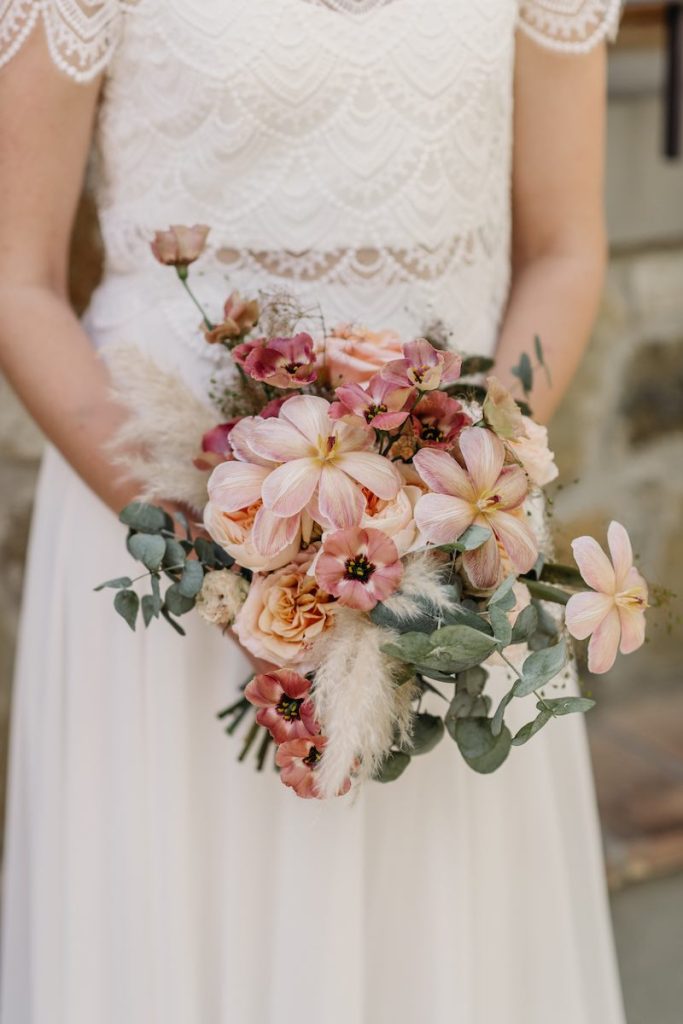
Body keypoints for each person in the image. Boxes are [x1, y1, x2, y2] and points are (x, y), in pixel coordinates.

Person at [0, 2, 626, 1021]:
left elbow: (562, 245)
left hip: (438, 562)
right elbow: (14, 277)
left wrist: (460, 489)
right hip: (169, 548)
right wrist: (222, 558)